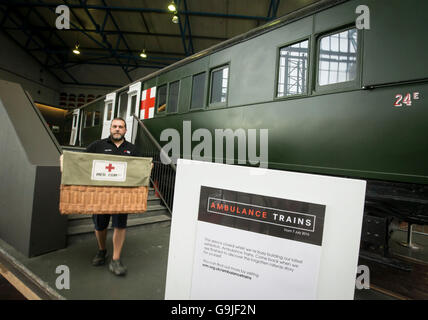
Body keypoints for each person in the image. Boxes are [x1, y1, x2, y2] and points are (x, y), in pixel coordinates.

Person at [85, 117, 141, 276]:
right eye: (115, 126)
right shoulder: (97, 145)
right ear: (110, 129)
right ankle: (102, 251)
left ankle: (116, 259)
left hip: (122, 195)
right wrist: (64, 159)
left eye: (121, 127)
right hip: (101, 194)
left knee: (120, 225)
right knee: (100, 225)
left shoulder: (133, 149)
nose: (117, 129)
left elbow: (140, 167)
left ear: (125, 130)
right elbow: (81, 160)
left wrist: (147, 167)